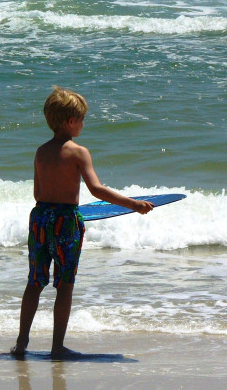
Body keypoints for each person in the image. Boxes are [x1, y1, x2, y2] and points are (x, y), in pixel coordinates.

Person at [11, 86, 154, 359]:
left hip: (40, 218)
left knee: (35, 281)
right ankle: (56, 348)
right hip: (65, 221)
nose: (83, 124)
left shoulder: (41, 151)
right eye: (82, 119)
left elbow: (37, 193)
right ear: (70, 121)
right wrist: (133, 204)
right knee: (64, 284)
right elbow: (97, 190)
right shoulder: (78, 152)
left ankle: (21, 343)